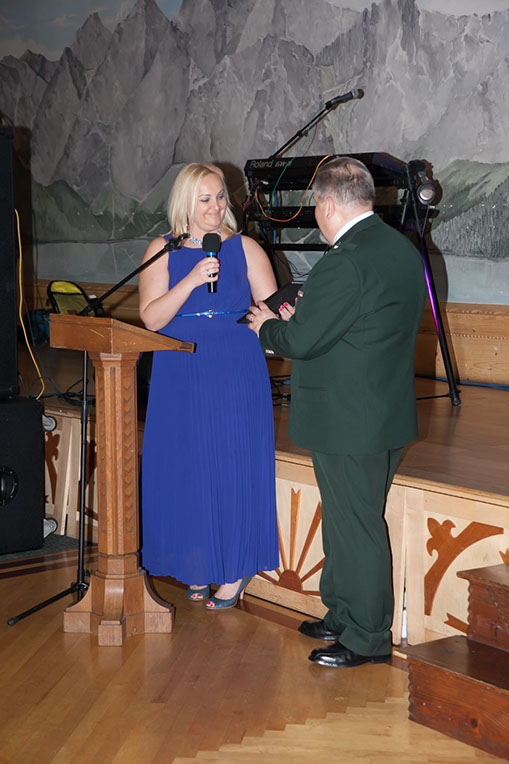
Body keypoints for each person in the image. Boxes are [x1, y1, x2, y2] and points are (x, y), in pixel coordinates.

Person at [248, 156, 426, 666]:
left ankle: (367, 636)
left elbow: (301, 342)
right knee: (348, 520)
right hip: (379, 410)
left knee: (357, 525)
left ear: (326, 205)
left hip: (349, 419)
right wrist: (308, 318)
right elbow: (364, 324)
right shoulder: (398, 247)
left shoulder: (343, 261)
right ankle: (343, 613)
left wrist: (266, 327)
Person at [139, 162, 279, 609]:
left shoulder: (246, 247)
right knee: (188, 466)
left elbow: (272, 310)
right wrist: (192, 279)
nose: (216, 207)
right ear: (185, 202)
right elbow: (151, 318)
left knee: (233, 462)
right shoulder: (162, 249)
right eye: (205, 199)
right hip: (179, 367)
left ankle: (235, 570)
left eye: (220, 197)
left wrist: (279, 315)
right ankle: (196, 560)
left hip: (235, 365)